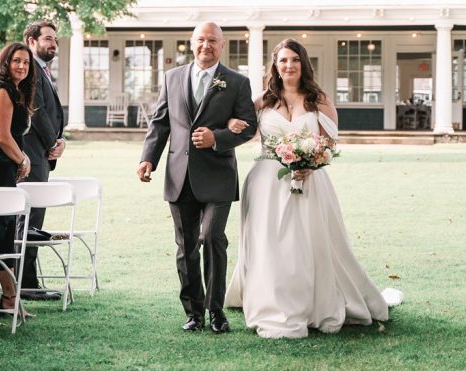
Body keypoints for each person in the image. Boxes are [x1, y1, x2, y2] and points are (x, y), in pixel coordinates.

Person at [223, 38, 389, 338]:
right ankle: (270, 300)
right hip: (265, 183)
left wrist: (310, 160)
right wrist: (233, 122)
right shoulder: (262, 101)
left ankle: (314, 303)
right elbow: (242, 129)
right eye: (283, 60)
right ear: (275, 64)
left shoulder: (318, 99)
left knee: (307, 243)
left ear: (303, 64)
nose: (289, 65)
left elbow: (330, 142)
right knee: (270, 244)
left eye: (295, 60)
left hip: (310, 181)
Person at [137, 22, 257, 333]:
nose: (207, 45)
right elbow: (161, 123)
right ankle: (194, 313)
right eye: (201, 40)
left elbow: (249, 126)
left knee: (212, 238)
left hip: (218, 176)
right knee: (186, 245)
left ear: (222, 45)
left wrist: (216, 138)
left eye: (213, 41)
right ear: (192, 44)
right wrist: (148, 158)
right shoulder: (172, 77)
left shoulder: (237, 82)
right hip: (179, 176)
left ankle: (216, 312)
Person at [0, 42, 35, 314]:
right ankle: (9, 298)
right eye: (16, 61)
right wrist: (23, 159)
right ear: (5, 62)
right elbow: (2, 137)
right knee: (0, 232)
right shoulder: (3, 91)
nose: (22, 66)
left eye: (26, 62)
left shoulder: (10, 89)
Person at [20, 20, 67, 300]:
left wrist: (58, 141)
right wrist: (53, 142)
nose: (53, 44)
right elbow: (36, 110)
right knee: (30, 221)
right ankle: (26, 285)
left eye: (55, 40)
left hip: (42, 154)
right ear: (31, 40)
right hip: (33, 154)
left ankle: (27, 282)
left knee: (33, 220)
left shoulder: (42, 69)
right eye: (48, 39)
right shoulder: (31, 69)